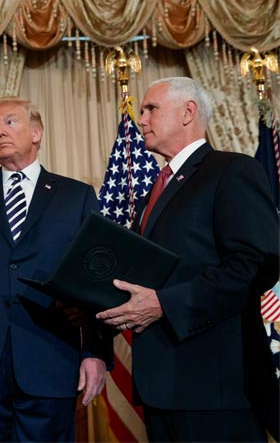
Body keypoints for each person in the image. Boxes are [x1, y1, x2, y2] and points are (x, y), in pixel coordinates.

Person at [96, 77, 280, 442]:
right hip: (161, 386)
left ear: (188, 112)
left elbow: (254, 264)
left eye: (151, 109)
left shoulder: (231, 170)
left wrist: (165, 304)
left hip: (216, 388)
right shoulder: (158, 186)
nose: (141, 119)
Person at [0, 96, 113, 442]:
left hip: (52, 355)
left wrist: (95, 353)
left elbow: (95, 282)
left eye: (10, 122)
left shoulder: (77, 196)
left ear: (37, 132)